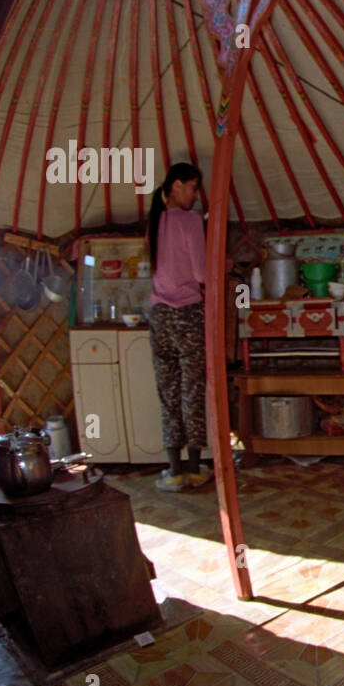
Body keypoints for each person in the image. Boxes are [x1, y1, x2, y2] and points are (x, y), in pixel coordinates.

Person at [147, 162, 211, 492]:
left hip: (159, 316)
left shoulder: (152, 222)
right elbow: (201, 274)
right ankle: (196, 468)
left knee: (168, 392)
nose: (195, 195)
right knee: (192, 388)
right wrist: (222, 264)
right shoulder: (190, 221)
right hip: (187, 314)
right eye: (193, 187)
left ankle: (173, 472)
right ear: (175, 185)